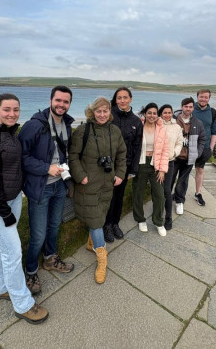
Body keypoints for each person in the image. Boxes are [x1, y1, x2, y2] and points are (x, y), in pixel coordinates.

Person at [0, 93, 48, 324]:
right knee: (13, 252)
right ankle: (23, 304)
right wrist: (5, 214)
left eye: (16, 109)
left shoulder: (10, 132)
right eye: (7, 109)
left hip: (12, 199)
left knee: (2, 246)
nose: (12, 114)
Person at [18, 86, 75, 296]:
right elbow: (21, 157)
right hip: (41, 188)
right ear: (50, 100)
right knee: (38, 234)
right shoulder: (34, 125)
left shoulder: (67, 124)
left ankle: (51, 259)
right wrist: (45, 168)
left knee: (53, 227)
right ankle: (31, 271)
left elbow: (64, 154)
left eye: (66, 102)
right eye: (58, 100)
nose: (61, 105)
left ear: (70, 104)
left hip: (60, 184)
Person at [68, 96, 127, 284]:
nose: (102, 114)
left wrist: (120, 174)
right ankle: (102, 258)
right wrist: (80, 176)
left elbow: (122, 155)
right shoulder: (82, 131)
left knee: (100, 215)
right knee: (96, 222)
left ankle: (91, 243)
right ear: (92, 112)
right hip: (88, 184)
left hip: (108, 184)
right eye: (98, 111)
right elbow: (73, 156)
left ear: (110, 112)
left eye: (105, 111)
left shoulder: (115, 131)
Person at [103, 87, 143, 243]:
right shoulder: (108, 115)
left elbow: (137, 146)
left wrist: (133, 169)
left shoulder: (135, 121)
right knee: (108, 197)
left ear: (131, 99)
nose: (122, 100)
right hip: (107, 165)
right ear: (116, 99)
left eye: (125, 97)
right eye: (119, 98)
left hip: (124, 166)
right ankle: (106, 225)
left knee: (119, 197)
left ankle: (115, 224)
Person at [132, 103, 170, 236]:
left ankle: (158, 221)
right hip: (141, 163)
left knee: (159, 195)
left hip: (156, 164)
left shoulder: (161, 129)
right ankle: (140, 219)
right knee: (138, 192)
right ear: (145, 113)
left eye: (154, 113)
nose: (152, 115)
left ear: (157, 115)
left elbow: (165, 150)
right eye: (149, 113)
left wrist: (162, 170)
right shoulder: (138, 126)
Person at [171, 97, 206, 215]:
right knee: (169, 179)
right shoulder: (173, 120)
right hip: (174, 157)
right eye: (186, 106)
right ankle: (166, 198)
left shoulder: (197, 123)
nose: (188, 109)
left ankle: (179, 201)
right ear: (181, 107)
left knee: (183, 181)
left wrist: (197, 153)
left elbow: (202, 139)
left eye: (190, 107)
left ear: (193, 108)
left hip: (189, 158)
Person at [191, 89, 216, 206]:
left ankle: (198, 193)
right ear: (197, 97)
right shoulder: (191, 109)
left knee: (200, 170)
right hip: (189, 146)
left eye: (206, 97)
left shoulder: (212, 112)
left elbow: (214, 131)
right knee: (183, 171)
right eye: (201, 97)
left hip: (205, 147)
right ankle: (178, 193)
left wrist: (211, 148)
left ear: (209, 99)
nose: (203, 99)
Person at [158, 104, 183, 230]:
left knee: (167, 190)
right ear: (161, 113)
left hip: (170, 161)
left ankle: (168, 217)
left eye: (169, 112)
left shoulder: (177, 127)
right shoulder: (156, 124)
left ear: (172, 113)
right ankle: (157, 213)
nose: (167, 114)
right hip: (156, 162)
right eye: (164, 112)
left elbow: (180, 143)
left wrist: (173, 153)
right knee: (157, 189)